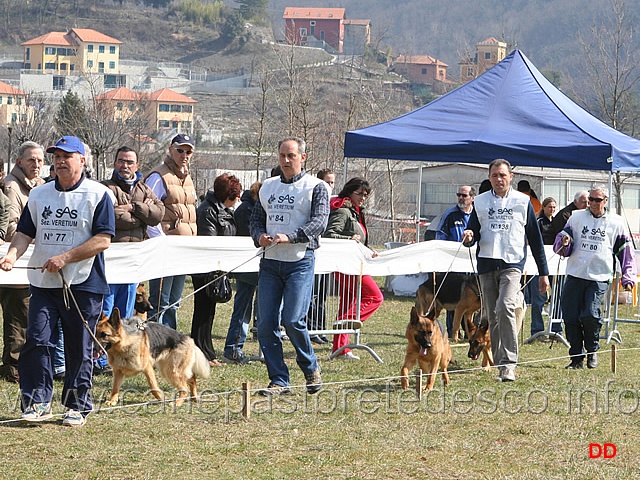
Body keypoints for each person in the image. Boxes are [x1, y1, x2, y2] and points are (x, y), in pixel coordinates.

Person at [0, 136, 115, 426]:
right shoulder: (40, 195)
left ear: (82, 160)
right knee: (37, 340)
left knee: (79, 346)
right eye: (57, 156)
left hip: (84, 283)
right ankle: (37, 402)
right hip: (42, 283)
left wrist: (65, 258)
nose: (61, 161)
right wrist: (12, 255)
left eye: (68, 156)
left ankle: (77, 405)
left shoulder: (98, 194)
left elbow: (103, 239)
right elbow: (25, 232)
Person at [250, 136, 328, 396]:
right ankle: (279, 380)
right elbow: (256, 220)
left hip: (300, 261)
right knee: (265, 325)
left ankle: (310, 367)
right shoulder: (267, 187)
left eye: (291, 155)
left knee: (293, 320)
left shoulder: (316, 187)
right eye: (282, 155)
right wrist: (259, 236)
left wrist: (291, 236)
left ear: (302, 157)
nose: (285, 160)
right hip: (270, 263)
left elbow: (319, 222)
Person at [462, 159, 549, 382]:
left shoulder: (523, 201)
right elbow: (474, 230)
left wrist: (543, 273)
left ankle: (509, 364)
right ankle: (502, 366)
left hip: (512, 264)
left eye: (503, 175)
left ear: (510, 177)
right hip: (487, 264)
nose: (499, 179)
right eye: (494, 175)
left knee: (506, 306)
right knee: (493, 316)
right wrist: (470, 236)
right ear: (489, 178)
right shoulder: (480, 202)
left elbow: (536, 240)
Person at [555, 185, 636, 370]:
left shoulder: (616, 222)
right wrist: (564, 241)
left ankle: (592, 351)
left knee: (590, 314)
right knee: (571, 316)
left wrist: (628, 277)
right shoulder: (576, 217)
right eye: (590, 199)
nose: (592, 203)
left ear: (605, 201)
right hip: (575, 274)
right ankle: (576, 358)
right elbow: (563, 239)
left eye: (597, 200)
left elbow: (626, 251)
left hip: (599, 276)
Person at [324, 177, 384, 360]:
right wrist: (348, 240)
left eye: (366, 195)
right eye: (359, 194)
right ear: (349, 192)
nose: (363, 198)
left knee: (347, 303)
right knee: (375, 297)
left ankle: (341, 349)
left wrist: (367, 250)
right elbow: (329, 235)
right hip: (345, 265)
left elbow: (359, 239)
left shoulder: (356, 212)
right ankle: (346, 324)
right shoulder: (342, 211)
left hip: (353, 263)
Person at [101, 146, 164, 318]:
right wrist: (144, 213)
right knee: (106, 312)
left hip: (133, 262)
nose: (125, 165)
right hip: (110, 261)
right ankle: (99, 345)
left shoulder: (144, 189)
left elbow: (158, 214)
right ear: (114, 163)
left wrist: (132, 207)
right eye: (121, 161)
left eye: (130, 162)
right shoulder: (105, 188)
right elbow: (111, 217)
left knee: (126, 314)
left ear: (137, 165)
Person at [0, 143, 44, 384]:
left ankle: (15, 362)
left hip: (26, 264)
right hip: (11, 263)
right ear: (18, 162)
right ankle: (12, 366)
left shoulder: (39, 187)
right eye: (31, 160)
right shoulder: (12, 187)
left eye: (39, 160)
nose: (36, 164)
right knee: (18, 315)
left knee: (22, 316)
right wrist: (42, 235)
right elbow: (10, 228)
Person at [144, 134, 197, 329]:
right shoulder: (159, 177)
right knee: (160, 302)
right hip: (165, 249)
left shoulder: (188, 178)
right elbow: (149, 214)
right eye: (180, 150)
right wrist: (160, 242)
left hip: (183, 249)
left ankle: (169, 344)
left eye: (188, 151)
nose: (184, 155)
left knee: (174, 302)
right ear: (170, 150)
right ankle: (153, 345)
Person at [191, 173, 241, 365]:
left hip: (217, 267)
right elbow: (209, 241)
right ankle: (202, 353)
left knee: (208, 311)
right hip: (205, 268)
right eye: (233, 196)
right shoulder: (208, 211)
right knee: (202, 311)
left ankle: (206, 352)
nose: (236, 200)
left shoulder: (223, 210)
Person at [433, 185, 475, 338]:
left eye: (464, 195)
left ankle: (469, 330)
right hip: (453, 263)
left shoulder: (477, 214)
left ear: (472, 198)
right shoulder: (450, 214)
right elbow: (440, 236)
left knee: (472, 299)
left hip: (472, 264)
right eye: (459, 195)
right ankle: (452, 330)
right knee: (455, 298)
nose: (461, 198)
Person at [227, 181, 261, 359]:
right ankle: (233, 347)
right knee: (243, 309)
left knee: (246, 308)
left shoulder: (249, 207)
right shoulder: (247, 209)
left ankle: (235, 347)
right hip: (247, 267)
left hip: (255, 266)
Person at [308, 168, 336, 344]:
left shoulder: (334, 203)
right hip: (313, 255)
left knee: (322, 295)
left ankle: (320, 328)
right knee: (313, 295)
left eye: (332, 182)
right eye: (327, 182)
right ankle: (311, 329)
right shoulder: (316, 201)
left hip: (326, 258)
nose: (330, 186)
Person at [530, 197, 560, 339]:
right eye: (549, 207)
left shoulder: (556, 223)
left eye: (554, 207)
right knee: (539, 298)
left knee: (558, 297)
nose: (552, 210)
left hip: (555, 264)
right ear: (544, 207)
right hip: (540, 264)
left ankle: (556, 329)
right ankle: (537, 330)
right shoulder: (539, 222)